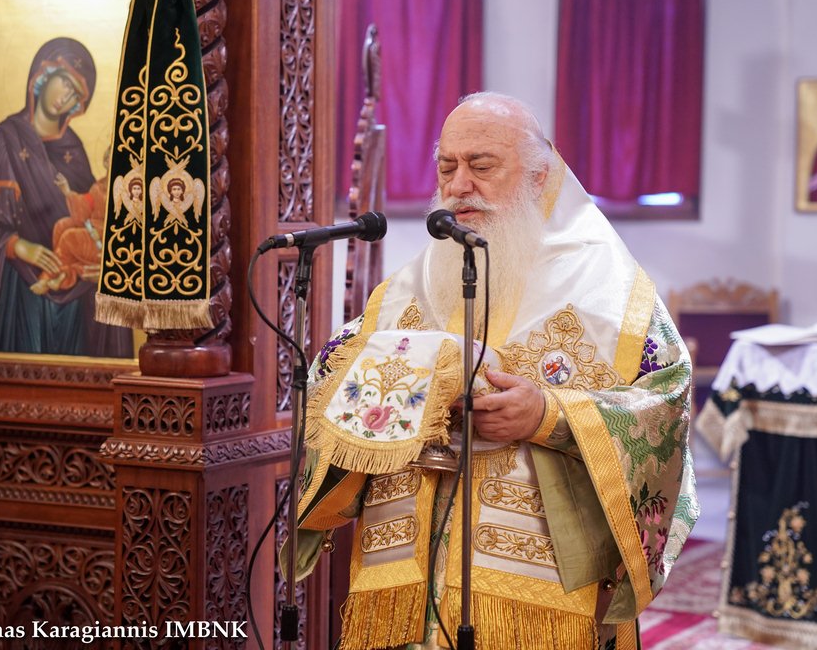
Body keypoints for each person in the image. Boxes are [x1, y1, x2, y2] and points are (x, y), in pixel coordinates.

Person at [286, 92, 698, 649]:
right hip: (408, 568)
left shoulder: (611, 291)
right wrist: (400, 395)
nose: (459, 185)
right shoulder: (410, 287)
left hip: (537, 584)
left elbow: (664, 402)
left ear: (538, 176)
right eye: (446, 167)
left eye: (481, 166)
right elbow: (328, 377)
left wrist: (548, 414)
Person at [0, 37, 132, 357]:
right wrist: (18, 246)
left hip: (78, 302)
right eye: (65, 82)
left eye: (76, 93)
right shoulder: (6, 139)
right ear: (43, 74)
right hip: (21, 293)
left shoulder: (73, 150)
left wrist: (105, 266)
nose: (66, 96)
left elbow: (100, 219)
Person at [30, 148, 110, 295]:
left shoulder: (126, 190)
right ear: (105, 162)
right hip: (93, 229)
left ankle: (46, 278)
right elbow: (84, 209)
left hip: (106, 242)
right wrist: (67, 191)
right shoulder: (98, 186)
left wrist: (102, 232)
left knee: (69, 237)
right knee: (61, 225)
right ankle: (63, 274)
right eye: (110, 158)